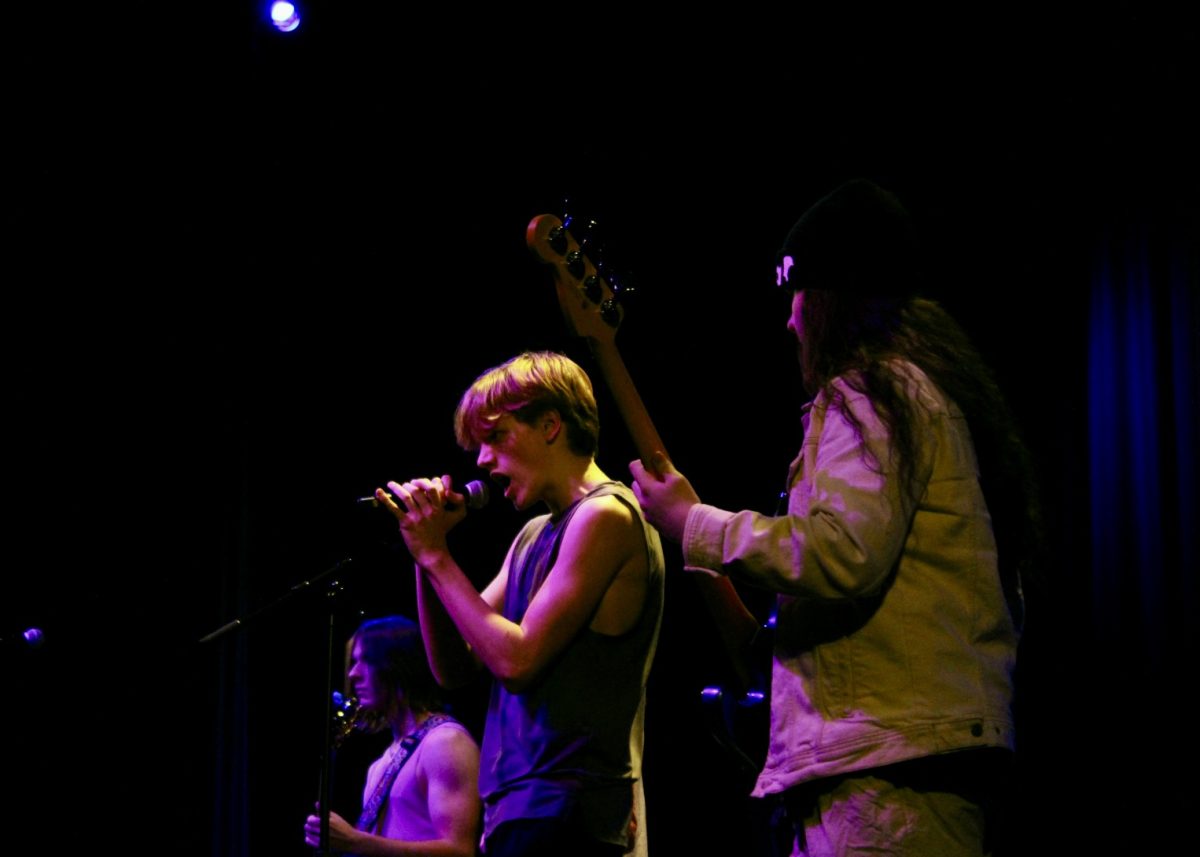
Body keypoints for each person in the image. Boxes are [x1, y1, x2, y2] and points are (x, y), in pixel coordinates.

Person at [629, 178, 1040, 856]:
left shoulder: (873, 391)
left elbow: (840, 549)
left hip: (880, 781)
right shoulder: (929, 391)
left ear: (832, 301)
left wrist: (693, 521)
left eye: (800, 296)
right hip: (908, 764)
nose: (790, 320)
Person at [374, 350, 666, 857]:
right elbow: (455, 668)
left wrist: (437, 556)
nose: (483, 461)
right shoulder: (533, 534)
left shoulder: (607, 517)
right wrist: (425, 556)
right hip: (519, 811)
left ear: (550, 425)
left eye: (496, 437)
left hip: (572, 812)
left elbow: (517, 659)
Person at [303, 614, 482, 857]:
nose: (353, 674)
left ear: (396, 666)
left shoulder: (445, 743)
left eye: (365, 660)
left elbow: (460, 851)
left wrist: (355, 841)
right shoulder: (381, 762)